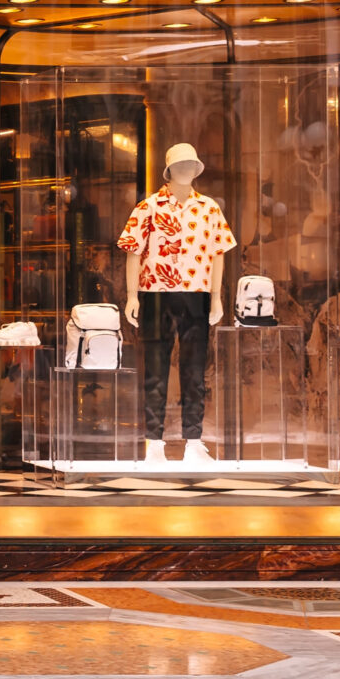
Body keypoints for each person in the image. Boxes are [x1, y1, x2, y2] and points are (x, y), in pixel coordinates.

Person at [118, 142, 237, 465]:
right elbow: (133, 252)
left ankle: (193, 442)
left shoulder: (209, 208)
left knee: (195, 370)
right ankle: (154, 443)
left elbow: (218, 254)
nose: (186, 170)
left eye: (191, 164)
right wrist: (132, 295)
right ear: (169, 171)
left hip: (196, 294)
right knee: (155, 369)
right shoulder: (148, 207)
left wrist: (216, 297)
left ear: (197, 169)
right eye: (180, 165)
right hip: (155, 293)